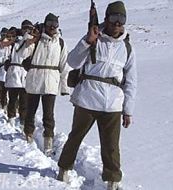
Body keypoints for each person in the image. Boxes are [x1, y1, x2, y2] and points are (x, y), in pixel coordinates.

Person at [57, 1, 137, 190]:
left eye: (121, 19)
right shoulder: (93, 37)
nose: (117, 23)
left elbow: (131, 82)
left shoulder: (128, 48)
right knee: (75, 137)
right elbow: (73, 61)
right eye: (114, 17)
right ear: (106, 18)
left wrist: (128, 110)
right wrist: (87, 41)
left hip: (113, 104)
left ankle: (112, 181)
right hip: (87, 99)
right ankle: (64, 169)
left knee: (111, 146)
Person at [23, 13, 70, 156]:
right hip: (35, 79)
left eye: (55, 24)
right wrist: (29, 40)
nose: (52, 27)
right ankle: (28, 136)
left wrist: (64, 87)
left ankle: (48, 143)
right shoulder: (36, 39)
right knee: (31, 110)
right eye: (49, 23)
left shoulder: (60, 42)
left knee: (48, 114)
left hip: (51, 81)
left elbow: (64, 65)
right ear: (45, 24)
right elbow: (23, 55)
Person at [4, 21, 35, 127]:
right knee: (12, 98)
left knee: (24, 100)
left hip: (25, 73)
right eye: (25, 28)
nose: (27, 30)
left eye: (29, 28)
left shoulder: (32, 42)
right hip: (15, 71)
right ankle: (11, 117)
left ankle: (23, 118)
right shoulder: (16, 41)